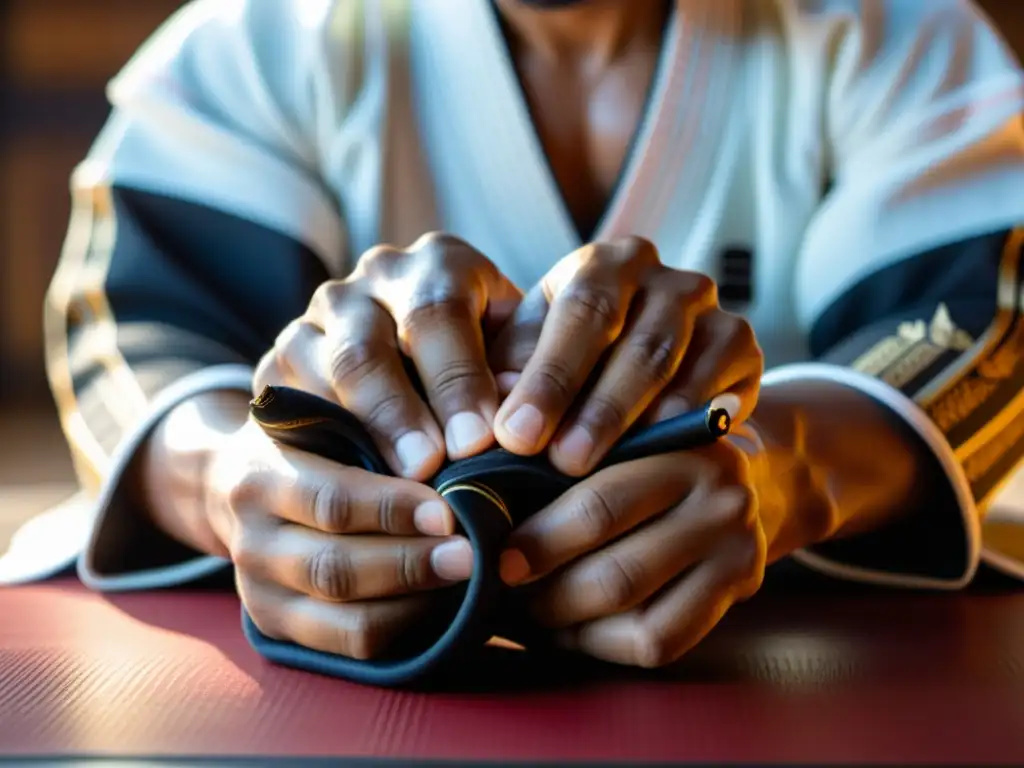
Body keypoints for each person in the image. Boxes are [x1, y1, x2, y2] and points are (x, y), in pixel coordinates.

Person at [12, 0, 1024, 667]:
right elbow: (135, 336)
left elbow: (977, 333)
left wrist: (780, 469)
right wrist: (232, 487)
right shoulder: (261, 41)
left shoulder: (897, 35)